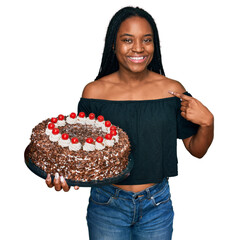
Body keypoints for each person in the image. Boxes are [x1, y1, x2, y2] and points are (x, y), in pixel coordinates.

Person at [45, 6, 214, 240]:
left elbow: (197, 149)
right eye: (127, 40)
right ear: (113, 45)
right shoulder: (94, 92)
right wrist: (65, 175)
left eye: (147, 40)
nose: (138, 48)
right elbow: (83, 154)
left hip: (157, 205)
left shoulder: (173, 91)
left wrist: (208, 123)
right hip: (107, 204)